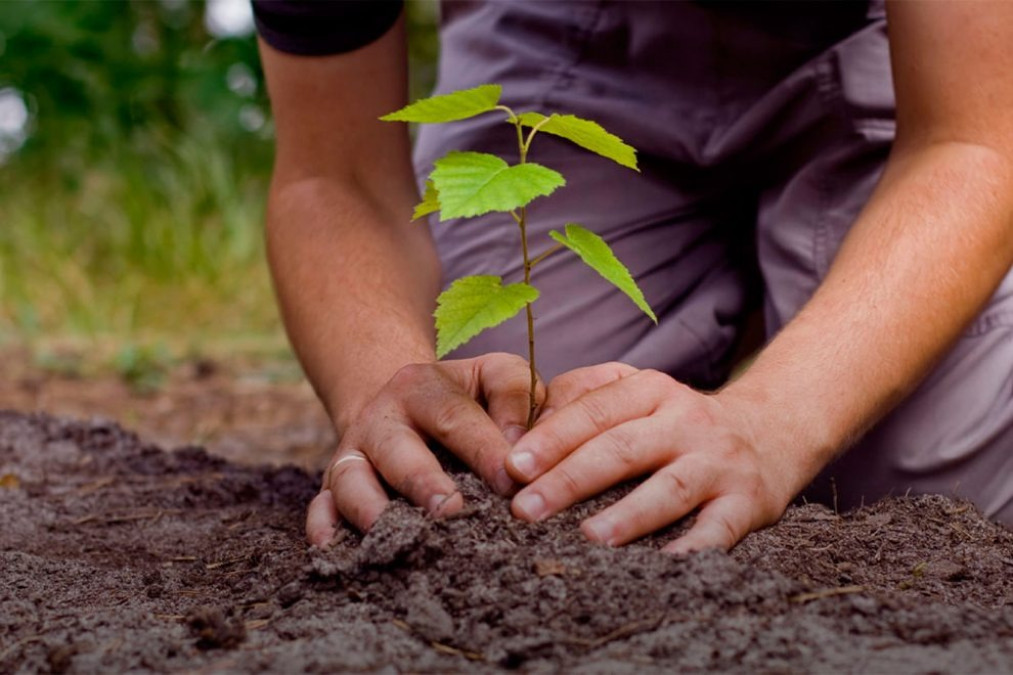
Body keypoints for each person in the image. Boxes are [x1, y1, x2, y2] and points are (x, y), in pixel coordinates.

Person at [252, 0, 1013, 552]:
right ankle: (724, 284)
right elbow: (335, 175)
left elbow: (974, 141)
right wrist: (382, 390)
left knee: (933, 478)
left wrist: (774, 420)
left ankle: (773, 297)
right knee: (509, 442)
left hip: (898, 43)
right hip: (558, 34)